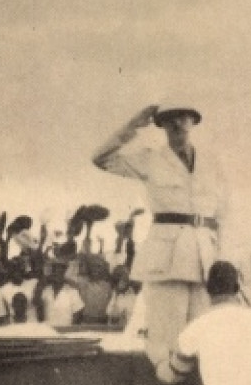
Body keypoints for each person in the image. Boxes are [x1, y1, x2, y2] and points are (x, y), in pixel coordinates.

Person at [92, 100, 229, 364]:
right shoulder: (151, 159)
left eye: (183, 117)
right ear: (162, 126)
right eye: (170, 119)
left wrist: (223, 254)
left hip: (205, 257)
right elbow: (101, 159)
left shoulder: (211, 162)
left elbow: (223, 211)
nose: (177, 124)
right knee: (168, 338)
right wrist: (133, 125)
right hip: (168, 259)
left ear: (193, 121)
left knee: (203, 337)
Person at [35, 257, 85, 327]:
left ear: (64, 272)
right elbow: (39, 309)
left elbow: (78, 313)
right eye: (55, 269)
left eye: (60, 270)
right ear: (51, 272)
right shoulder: (45, 290)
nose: (57, 272)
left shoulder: (72, 291)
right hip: (48, 331)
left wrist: (71, 331)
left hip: (66, 331)